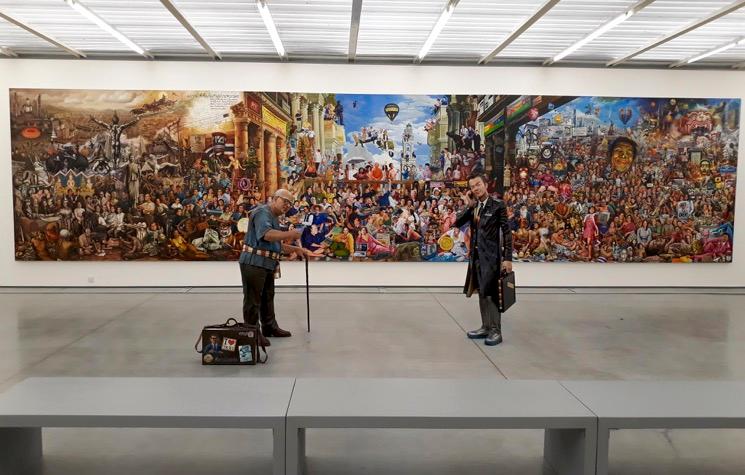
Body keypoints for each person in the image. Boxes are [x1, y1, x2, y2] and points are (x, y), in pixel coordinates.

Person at [239, 189, 309, 343]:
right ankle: (252, 332)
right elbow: (267, 235)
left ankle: (269, 326)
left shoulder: (273, 217)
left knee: (267, 297)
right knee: (253, 299)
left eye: (290, 204)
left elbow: (275, 244)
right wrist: (291, 234)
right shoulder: (262, 212)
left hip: (265, 263)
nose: (287, 205)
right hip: (254, 262)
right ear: (275, 198)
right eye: (285, 201)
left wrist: (296, 249)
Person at [454, 172, 512, 346]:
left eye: (478, 184)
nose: (476, 188)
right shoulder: (475, 207)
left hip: (492, 258)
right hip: (476, 258)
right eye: (472, 187)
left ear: (485, 184)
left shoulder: (498, 205)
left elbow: (507, 232)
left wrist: (507, 258)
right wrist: (469, 205)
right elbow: (458, 222)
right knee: (481, 292)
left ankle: (496, 331)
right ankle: (486, 327)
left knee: (492, 294)